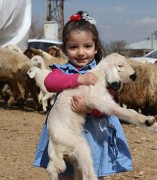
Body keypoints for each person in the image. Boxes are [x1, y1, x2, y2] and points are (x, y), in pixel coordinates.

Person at [33, 10, 133, 179]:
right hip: (65, 134)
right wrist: (79, 78)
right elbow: (50, 83)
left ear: (96, 48)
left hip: (94, 137)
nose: (81, 52)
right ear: (64, 49)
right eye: (73, 47)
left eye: (87, 46)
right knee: (66, 174)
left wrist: (89, 109)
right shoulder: (61, 71)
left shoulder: (103, 75)